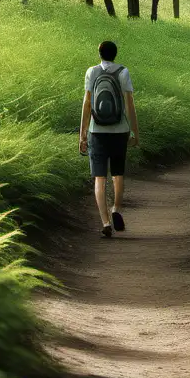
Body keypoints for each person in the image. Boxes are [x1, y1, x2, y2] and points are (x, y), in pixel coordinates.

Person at [79, 40, 139, 237]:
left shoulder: (91, 72)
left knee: (99, 178)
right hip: (119, 130)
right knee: (118, 173)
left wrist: (82, 134)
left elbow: (87, 104)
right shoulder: (123, 72)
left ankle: (105, 222)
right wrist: (134, 132)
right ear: (115, 53)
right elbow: (130, 105)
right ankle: (116, 209)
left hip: (96, 132)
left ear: (99, 53)